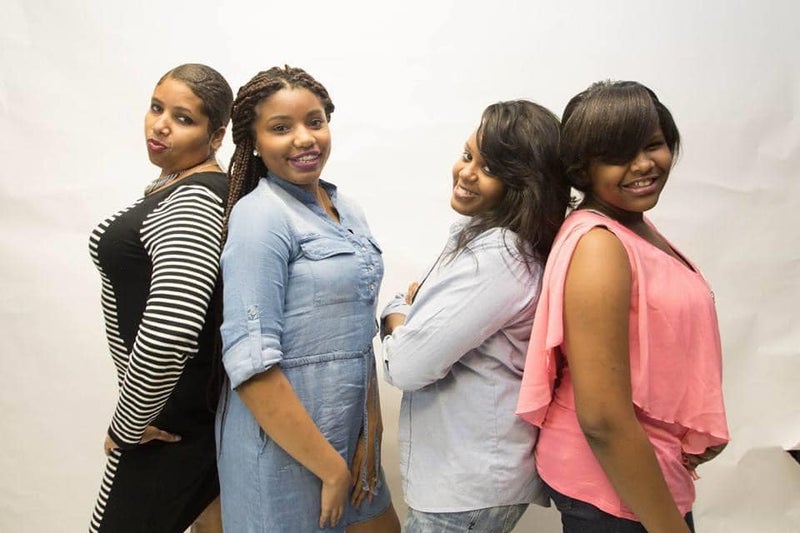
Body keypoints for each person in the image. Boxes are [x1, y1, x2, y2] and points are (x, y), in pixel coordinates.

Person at [516, 80, 730, 532]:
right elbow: (603, 420)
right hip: (611, 484)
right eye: (618, 155)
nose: (643, 164)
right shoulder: (600, 246)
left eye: (652, 144)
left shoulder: (632, 225)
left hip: (642, 469)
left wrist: (688, 424)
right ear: (583, 169)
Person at [214, 65, 400, 533]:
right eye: (281, 128)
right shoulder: (260, 217)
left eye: (314, 122)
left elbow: (359, 334)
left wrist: (371, 427)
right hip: (284, 453)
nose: (304, 138)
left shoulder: (348, 209)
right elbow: (252, 367)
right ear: (254, 141)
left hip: (350, 440)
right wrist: (330, 469)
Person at [380, 100, 570, 532]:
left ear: (523, 184)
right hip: (469, 478)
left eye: (490, 168)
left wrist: (398, 313)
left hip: (465, 486)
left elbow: (406, 365)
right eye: (467, 155)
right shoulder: (488, 241)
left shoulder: (499, 256)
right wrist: (414, 315)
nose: (466, 173)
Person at [87, 63, 233, 533]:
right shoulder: (178, 187)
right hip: (176, 417)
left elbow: (172, 330)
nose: (160, 125)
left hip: (168, 426)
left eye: (183, 118)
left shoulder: (195, 199)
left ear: (217, 135)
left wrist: (127, 425)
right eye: (156, 108)